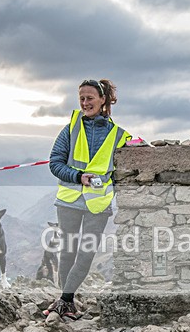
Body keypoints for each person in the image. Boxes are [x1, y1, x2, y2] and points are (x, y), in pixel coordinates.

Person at [43, 79, 131, 319]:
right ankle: (66, 300)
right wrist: (78, 176)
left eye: (89, 98)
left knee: (86, 252)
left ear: (103, 100)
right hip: (69, 199)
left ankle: (64, 300)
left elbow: (137, 156)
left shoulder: (119, 135)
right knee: (68, 252)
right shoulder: (71, 127)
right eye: (81, 98)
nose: (84, 103)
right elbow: (55, 163)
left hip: (98, 204)